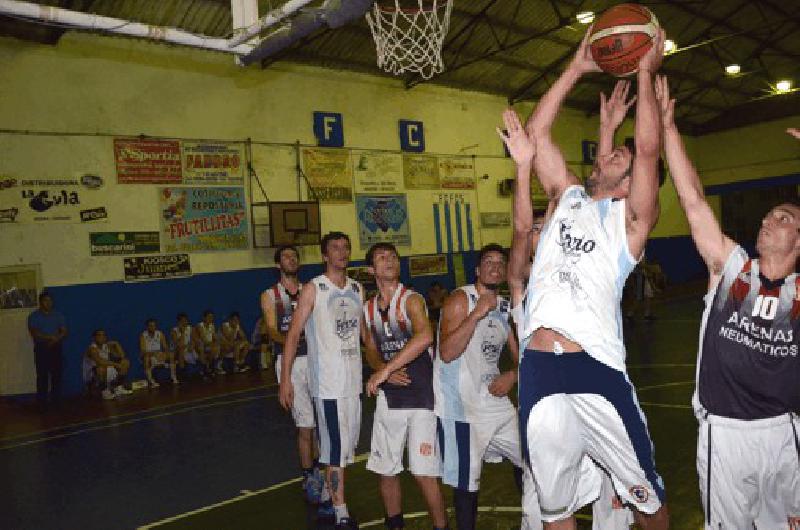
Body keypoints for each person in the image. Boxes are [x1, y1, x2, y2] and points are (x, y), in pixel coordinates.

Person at [516, 26, 669, 528]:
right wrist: (575, 69)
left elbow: (648, 150)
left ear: (629, 184)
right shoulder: (567, 196)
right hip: (538, 369)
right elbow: (536, 136)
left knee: (647, 501)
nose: (609, 153)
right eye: (611, 150)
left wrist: (646, 70)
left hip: (595, 369)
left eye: (618, 157)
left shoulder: (627, 224)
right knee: (554, 509)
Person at [657, 78, 800, 529]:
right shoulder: (732, 269)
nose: (768, 220)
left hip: (786, 431)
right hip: (726, 432)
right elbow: (693, 200)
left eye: (784, 218)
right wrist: (667, 129)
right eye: (767, 215)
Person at [500, 109, 634, 530]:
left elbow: (595, 201)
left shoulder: (593, 244)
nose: (544, 230)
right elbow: (522, 231)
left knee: (612, 510)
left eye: (549, 225)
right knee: (546, 512)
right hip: (546, 403)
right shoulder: (522, 284)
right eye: (542, 226)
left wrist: (606, 131)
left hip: (590, 384)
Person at [435, 242, 523, 530]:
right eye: (488, 261)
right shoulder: (461, 299)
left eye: (500, 262)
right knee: (467, 481)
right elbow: (446, 352)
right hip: (462, 407)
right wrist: (476, 314)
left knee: (531, 458)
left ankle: (535, 521)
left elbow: (521, 355)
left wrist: (513, 375)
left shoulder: (504, 306)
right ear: (477, 269)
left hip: (495, 403)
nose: (495, 267)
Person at [279, 232, 363, 530]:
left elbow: (363, 335)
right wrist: (285, 380)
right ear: (325, 255)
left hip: (354, 385)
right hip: (328, 386)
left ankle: (328, 496)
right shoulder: (314, 288)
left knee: (347, 448)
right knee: (335, 448)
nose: (342, 252)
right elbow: (292, 336)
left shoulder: (357, 288)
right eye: (335, 248)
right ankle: (341, 512)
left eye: (345, 247)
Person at [362, 242, 448, 530]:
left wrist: (387, 369)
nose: (389, 261)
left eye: (393, 257)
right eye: (382, 258)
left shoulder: (411, 299)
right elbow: (371, 348)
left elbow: (424, 337)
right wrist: (379, 369)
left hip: (422, 396)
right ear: (371, 269)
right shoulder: (368, 309)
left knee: (424, 473)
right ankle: (395, 525)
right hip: (390, 398)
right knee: (386, 469)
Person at [261, 244, 322, 503]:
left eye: (295, 256)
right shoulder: (270, 295)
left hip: (317, 360)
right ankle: (308, 475)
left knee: (322, 422)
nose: (292, 259)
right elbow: (271, 329)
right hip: (292, 362)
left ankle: (320, 468)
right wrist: (290, 340)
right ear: (278, 264)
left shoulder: (311, 290)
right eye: (286, 256)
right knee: (305, 425)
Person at [27, 291, 67, 408]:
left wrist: (55, 340)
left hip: (56, 347)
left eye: (50, 301)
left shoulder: (58, 315)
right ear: (40, 302)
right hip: (41, 348)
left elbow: (64, 331)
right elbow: (34, 332)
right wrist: (50, 337)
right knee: (42, 375)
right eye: (46, 300)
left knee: (56, 375)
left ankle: (56, 401)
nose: (48, 303)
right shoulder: (34, 316)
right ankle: (42, 403)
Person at [84, 329, 132, 400]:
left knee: (125, 362)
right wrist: (115, 365)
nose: (102, 337)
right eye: (99, 335)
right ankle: (105, 392)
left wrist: (116, 344)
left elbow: (122, 356)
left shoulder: (106, 346)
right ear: (94, 337)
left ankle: (118, 388)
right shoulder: (92, 348)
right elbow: (99, 362)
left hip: (107, 369)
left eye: (104, 335)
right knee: (101, 368)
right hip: (93, 374)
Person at [140, 318, 178, 387]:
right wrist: (154, 354)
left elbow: (165, 347)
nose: (152, 327)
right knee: (146, 358)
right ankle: (151, 381)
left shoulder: (160, 333)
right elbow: (143, 351)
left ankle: (173, 376)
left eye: (154, 326)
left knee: (171, 355)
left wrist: (164, 353)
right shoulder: (143, 335)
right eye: (150, 326)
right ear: (147, 327)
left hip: (159, 354)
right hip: (150, 356)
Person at [194, 309, 223, 376]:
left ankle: (210, 367)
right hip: (199, 346)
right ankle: (206, 369)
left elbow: (214, 337)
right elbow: (203, 339)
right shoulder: (199, 326)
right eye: (209, 317)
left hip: (208, 345)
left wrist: (219, 341)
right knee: (206, 347)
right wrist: (213, 344)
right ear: (204, 318)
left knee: (219, 347)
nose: (211, 319)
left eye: (212, 317)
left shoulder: (212, 326)